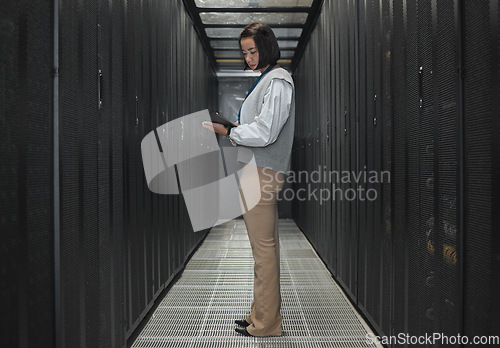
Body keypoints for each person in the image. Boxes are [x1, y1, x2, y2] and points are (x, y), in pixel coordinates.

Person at [203, 22, 295, 337]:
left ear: (267, 47)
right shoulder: (266, 81)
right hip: (256, 171)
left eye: (253, 50)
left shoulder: (278, 81)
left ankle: (267, 324)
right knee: (263, 250)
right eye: (244, 52)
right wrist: (236, 129)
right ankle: (260, 315)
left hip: (262, 173)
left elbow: (266, 131)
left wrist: (231, 130)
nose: (249, 57)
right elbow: (257, 128)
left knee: (263, 251)